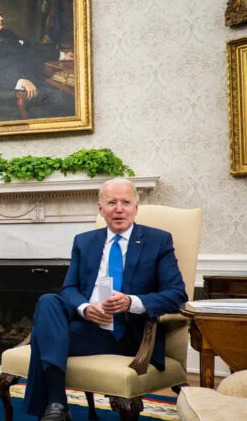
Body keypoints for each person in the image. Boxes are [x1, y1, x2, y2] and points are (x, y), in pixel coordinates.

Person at [23, 178, 188, 421]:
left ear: (135, 208)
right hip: (92, 331)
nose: (119, 208)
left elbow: (177, 294)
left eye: (126, 202)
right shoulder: (84, 241)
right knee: (49, 300)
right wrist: (84, 308)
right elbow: (69, 289)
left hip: (133, 337)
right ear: (101, 209)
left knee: (40, 336)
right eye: (112, 202)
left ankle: (55, 408)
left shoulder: (158, 240)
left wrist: (132, 302)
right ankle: (57, 403)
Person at [0, 4, 75, 119]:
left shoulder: (8, 34)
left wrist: (61, 55)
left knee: (69, 96)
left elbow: (32, 48)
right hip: (12, 95)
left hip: (36, 83)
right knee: (67, 102)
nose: (1, 19)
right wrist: (19, 82)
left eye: (1, 15)